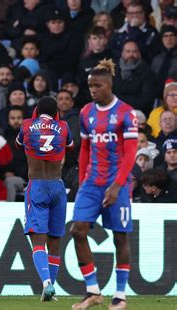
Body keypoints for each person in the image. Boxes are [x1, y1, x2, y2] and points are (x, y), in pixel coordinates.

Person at [70, 59, 138, 310]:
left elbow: (131, 153)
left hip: (116, 184)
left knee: (120, 237)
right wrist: (81, 184)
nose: (93, 90)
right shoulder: (86, 112)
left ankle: (120, 296)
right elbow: (85, 149)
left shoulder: (126, 113)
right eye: (90, 86)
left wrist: (118, 186)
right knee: (78, 231)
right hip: (91, 183)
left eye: (97, 86)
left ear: (109, 85)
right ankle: (93, 291)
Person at [15, 96, 74, 301]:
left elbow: (19, 143)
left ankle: (46, 283)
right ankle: (50, 289)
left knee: (38, 240)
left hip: (37, 185)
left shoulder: (26, 125)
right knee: (55, 241)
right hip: (57, 185)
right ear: (56, 111)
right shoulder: (64, 126)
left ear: (37, 109)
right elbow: (69, 147)